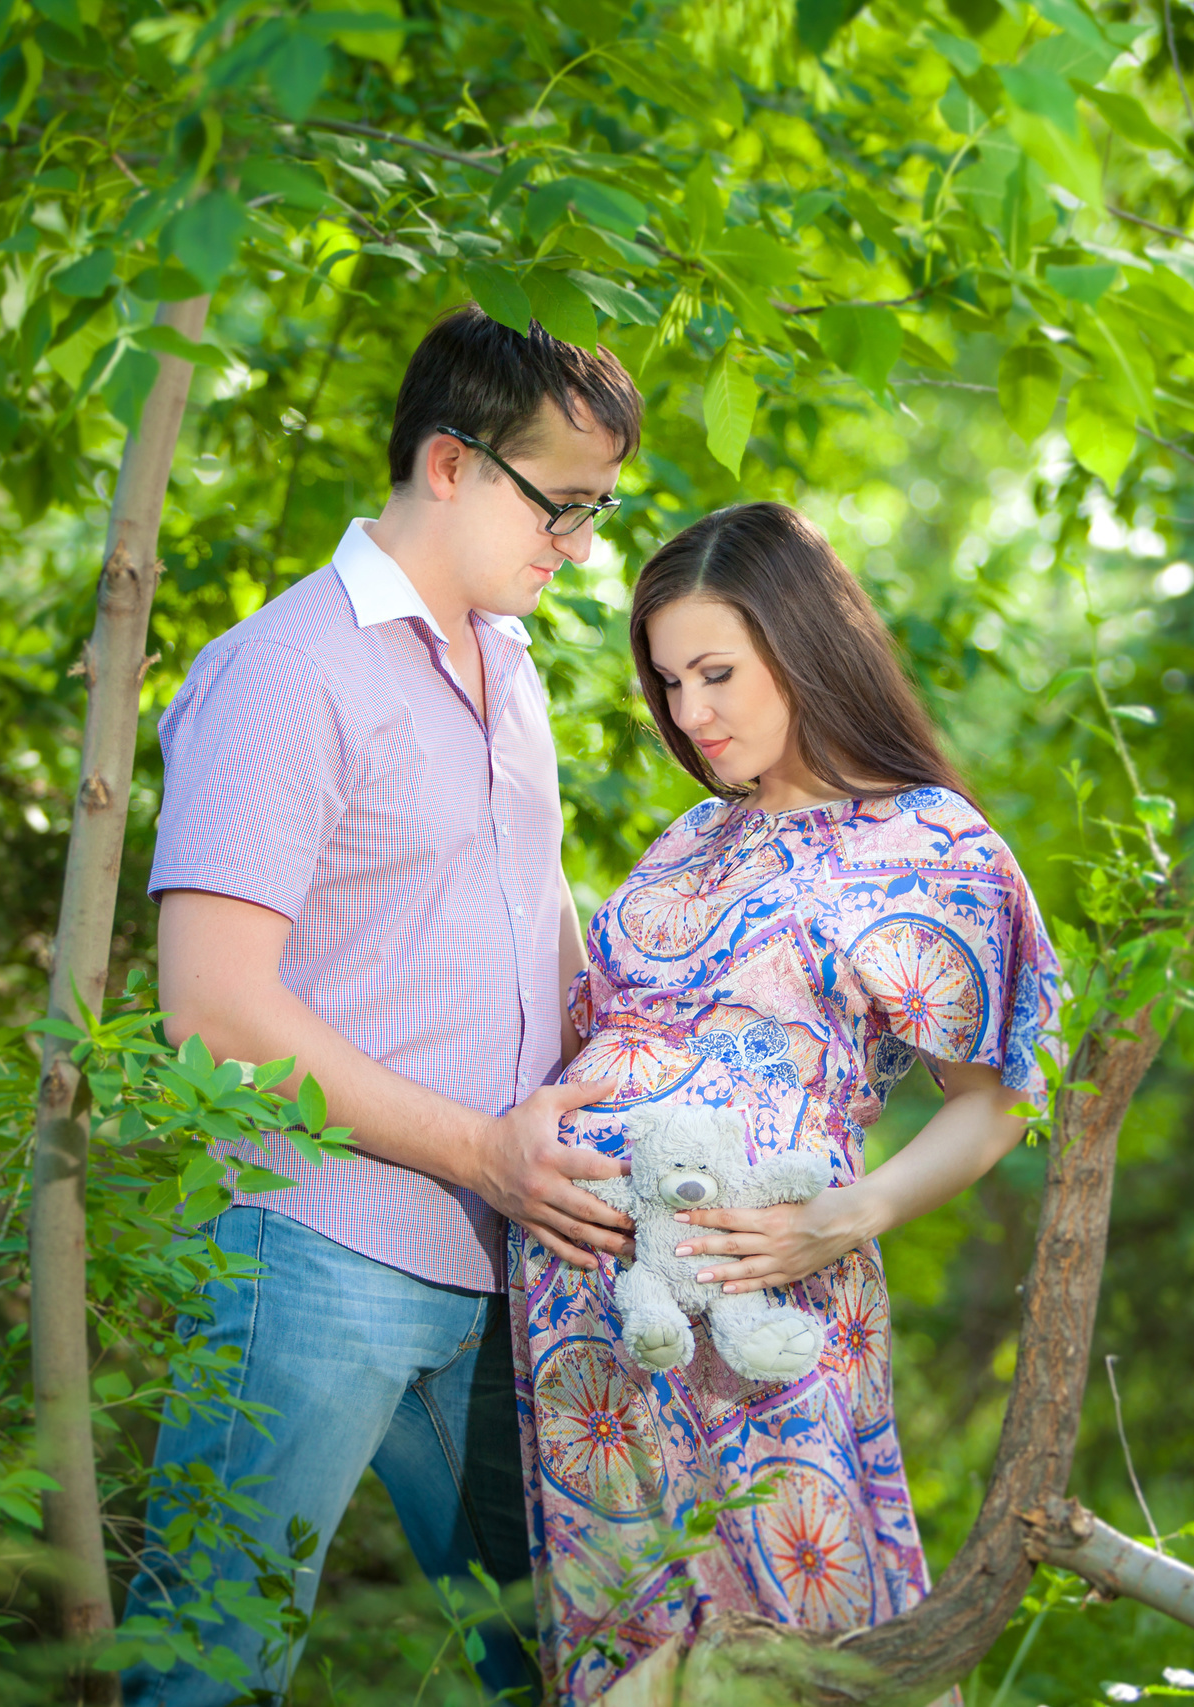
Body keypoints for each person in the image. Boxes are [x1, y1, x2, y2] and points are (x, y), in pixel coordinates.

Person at [123, 305, 645, 1706]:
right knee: (207, 1672)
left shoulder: (512, 668)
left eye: (598, 512)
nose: (579, 545)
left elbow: (530, 934)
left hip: (506, 1264)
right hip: (316, 1246)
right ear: (451, 464)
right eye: (563, 504)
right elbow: (214, 1015)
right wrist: (483, 1148)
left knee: (571, 1664)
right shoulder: (286, 672)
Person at [513, 502, 1067, 1701]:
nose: (690, 713)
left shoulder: (931, 843)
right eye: (669, 683)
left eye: (717, 672)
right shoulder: (691, 835)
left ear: (806, 646)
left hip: (764, 1312)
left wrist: (848, 1216)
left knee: (802, 1642)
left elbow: (1000, 1100)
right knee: (640, 1668)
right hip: (593, 1347)